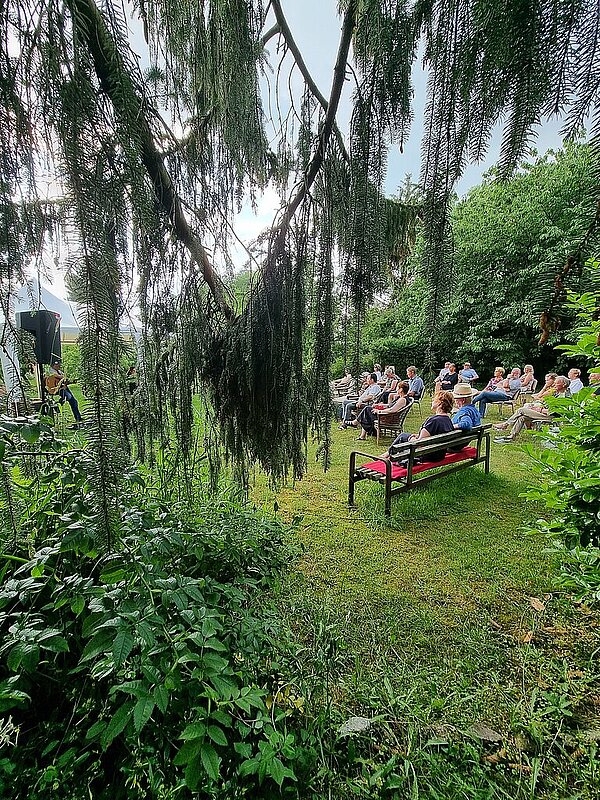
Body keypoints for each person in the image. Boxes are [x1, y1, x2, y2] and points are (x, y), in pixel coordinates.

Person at [379, 390, 455, 463]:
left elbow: (419, 444)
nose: (432, 401)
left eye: (434, 399)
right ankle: (387, 455)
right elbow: (433, 435)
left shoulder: (433, 420)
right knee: (406, 436)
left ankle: (386, 456)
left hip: (427, 455)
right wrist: (417, 436)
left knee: (403, 436)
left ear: (440, 403)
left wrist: (411, 438)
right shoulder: (448, 420)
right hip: (439, 455)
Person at [493, 375, 570, 442]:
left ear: (564, 384)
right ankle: (511, 436)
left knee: (521, 410)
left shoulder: (563, 396)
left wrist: (540, 410)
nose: (554, 384)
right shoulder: (557, 393)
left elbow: (558, 412)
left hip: (552, 417)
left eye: (557, 383)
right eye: (555, 382)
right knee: (522, 418)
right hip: (546, 413)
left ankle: (505, 424)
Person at [45, 359, 83, 427]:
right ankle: (58, 403)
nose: (59, 365)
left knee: (74, 402)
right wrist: (63, 378)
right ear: (54, 365)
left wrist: (70, 381)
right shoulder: (51, 371)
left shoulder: (59, 371)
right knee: (69, 397)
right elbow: (55, 377)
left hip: (63, 388)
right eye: (58, 364)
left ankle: (78, 419)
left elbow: (64, 379)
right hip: (57, 389)